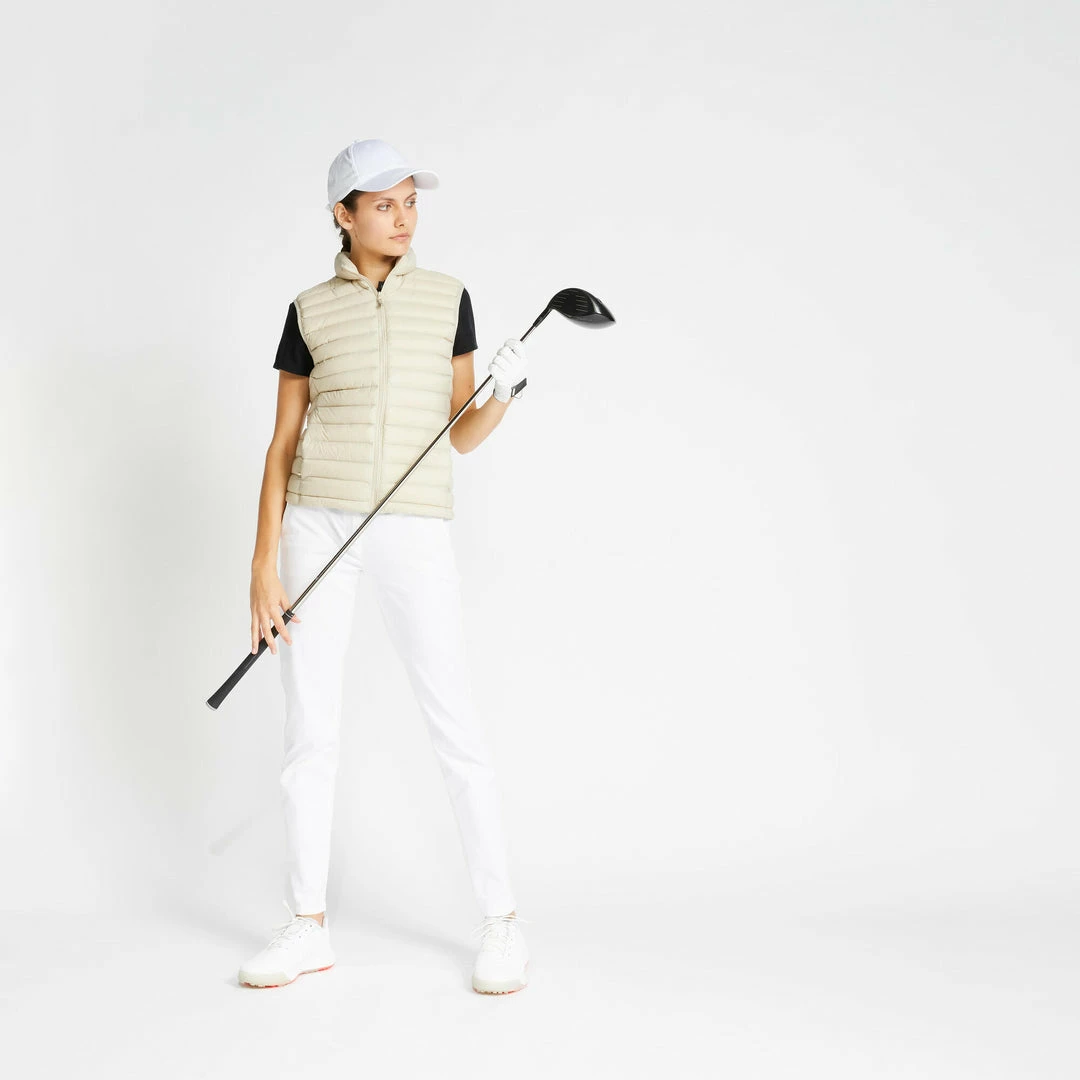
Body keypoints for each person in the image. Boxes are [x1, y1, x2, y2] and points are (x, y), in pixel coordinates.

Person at [237, 139, 530, 995]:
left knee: (454, 720)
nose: (403, 218)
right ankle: (307, 926)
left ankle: (502, 922)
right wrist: (262, 564)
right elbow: (282, 443)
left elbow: (461, 435)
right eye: (384, 204)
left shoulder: (449, 299)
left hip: (412, 526)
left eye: (411, 202)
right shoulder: (308, 310)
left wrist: (504, 394)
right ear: (343, 214)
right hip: (315, 524)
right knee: (310, 731)